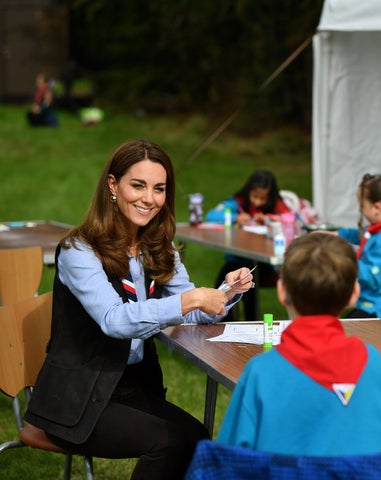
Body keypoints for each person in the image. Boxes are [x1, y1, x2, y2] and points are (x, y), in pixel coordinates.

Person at [24, 139, 255, 479]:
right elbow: (114, 320)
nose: (149, 198)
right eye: (138, 185)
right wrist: (188, 300)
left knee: (199, 441)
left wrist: (225, 292)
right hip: (79, 396)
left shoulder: (158, 248)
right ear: (113, 185)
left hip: (133, 387)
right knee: (170, 443)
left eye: (159, 189)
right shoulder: (79, 250)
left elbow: (191, 312)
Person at [217, 233, 381, 455]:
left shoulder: (260, 372)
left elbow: (229, 453)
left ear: (282, 291)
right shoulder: (375, 366)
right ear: (354, 294)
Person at [206, 169, 290, 321]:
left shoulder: (278, 206)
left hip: (267, 263)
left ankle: (244, 320)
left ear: (270, 197)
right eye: (255, 196)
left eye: (262, 198)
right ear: (248, 192)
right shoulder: (237, 202)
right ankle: (231, 319)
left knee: (246, 277)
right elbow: (211, 216)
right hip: (239, 259)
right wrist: (235, 217)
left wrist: (269, 219)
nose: (257, 202)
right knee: (237, 276)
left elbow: (291, 220)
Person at [331, 173, 381, 320]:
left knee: (339, 332)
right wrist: (338, 235)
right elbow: (362, 234)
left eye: (362, 205)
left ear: (377, 207)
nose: (360, 210)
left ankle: (272, 333)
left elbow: (373, 278)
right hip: (372, 303)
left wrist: (344, 259)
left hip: (379, 310)